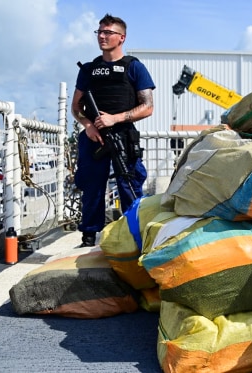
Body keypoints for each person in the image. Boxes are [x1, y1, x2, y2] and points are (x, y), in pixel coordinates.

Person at [71, 14, 155, 247]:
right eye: (99, 32)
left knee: (130, 185)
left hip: (123, 136)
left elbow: (148, 107)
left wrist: (114, 118)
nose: (102, 36)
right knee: (91, 186)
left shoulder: (134, 67)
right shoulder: (88, 70)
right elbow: (76, 107)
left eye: (108, 32)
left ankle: (134, 237)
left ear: (122, 37)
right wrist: (88, 125)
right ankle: (88, 236)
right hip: (94, 136)